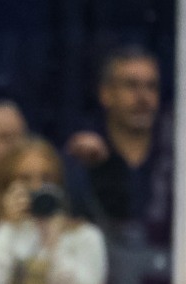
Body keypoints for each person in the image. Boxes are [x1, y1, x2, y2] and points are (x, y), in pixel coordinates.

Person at [0, 137, 105, 284]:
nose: (36, 187)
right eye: (25, 179)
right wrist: (7, 228)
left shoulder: (84, 236)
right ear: (7, 186)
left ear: (58, 184)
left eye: (46, 178)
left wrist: (53, 245)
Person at [64, 46, 169, 239]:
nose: (143, 97)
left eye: (151, 86)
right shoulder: (83, 160)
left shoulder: (173, 159)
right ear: (106, 94)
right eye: (131, 86)